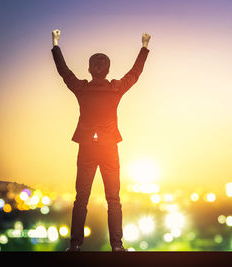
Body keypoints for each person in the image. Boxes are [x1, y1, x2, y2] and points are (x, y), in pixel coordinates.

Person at [51, 29, 151, 252]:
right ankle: (117, 246)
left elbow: (64, 72)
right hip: (109, 149)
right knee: (113, 199)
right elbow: (135, 73)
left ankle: (75, 245)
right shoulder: (115, 88)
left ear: (89, 70)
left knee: (81, 199)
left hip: (87, 147)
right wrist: (144, 47)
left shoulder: (82, 88)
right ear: (108, 70)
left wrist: (56, 44)